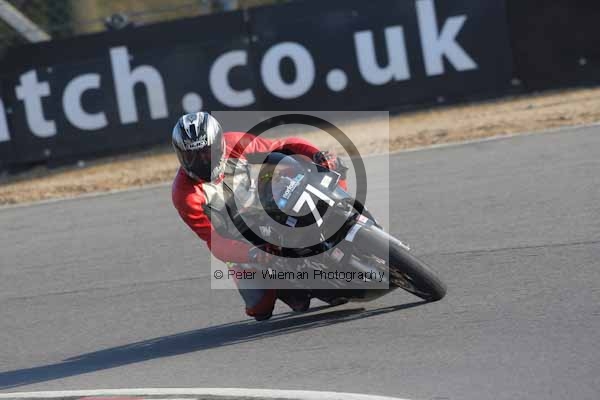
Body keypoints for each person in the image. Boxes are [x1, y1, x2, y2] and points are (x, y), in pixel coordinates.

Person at [171, 112, 348, 321]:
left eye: (206, 152)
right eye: (192, 156)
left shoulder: (234, 143)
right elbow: (214, 240)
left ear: (219, 144)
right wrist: (252, 253)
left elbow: (283, 146)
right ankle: (287, 286)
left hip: (266, 203)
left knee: (326, 167)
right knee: (260, 307)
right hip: (240, 239)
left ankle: (343, 209)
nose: (202, 161)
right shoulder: (184, 195)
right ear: (180, 156)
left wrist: (317, 155)